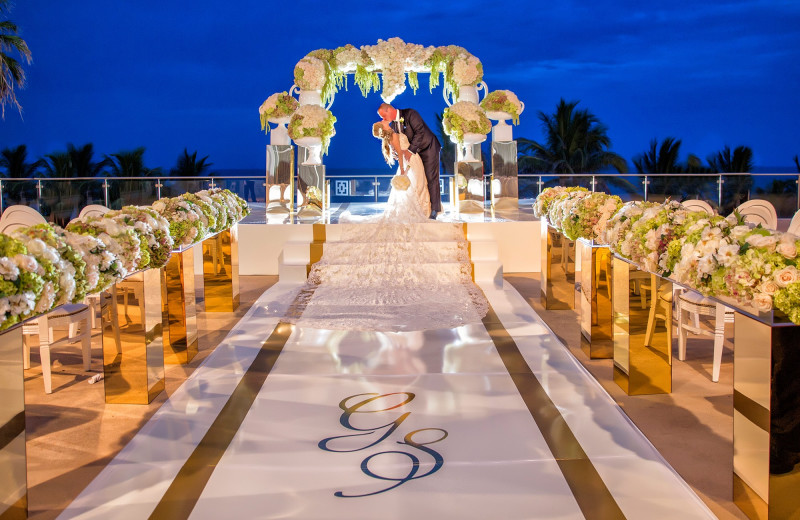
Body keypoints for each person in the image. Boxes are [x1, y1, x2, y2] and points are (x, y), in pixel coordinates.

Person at [377, 103, 442, 219]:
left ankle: (434, 210)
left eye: (383, 116)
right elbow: (400, 143)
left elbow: (420, 132)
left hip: (428, 148)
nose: (383, 119)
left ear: (389, 110)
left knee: (431, 177)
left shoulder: (410, 113)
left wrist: (410, 151)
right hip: (414, 155)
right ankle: (421, 208)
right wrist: (398, 153)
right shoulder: (394, 125)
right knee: (419, 181)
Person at [373, 120, 430, 220]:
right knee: (418, 185)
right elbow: (399, 153)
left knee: (417, 184)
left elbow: (399, 152)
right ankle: (420, 212)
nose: (383, 120)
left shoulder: (391, 136)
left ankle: (421, 211)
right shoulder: (393, 135)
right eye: (382, 122)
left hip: (410, 159)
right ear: (383, 127)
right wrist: (403, 170)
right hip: (411, 160)